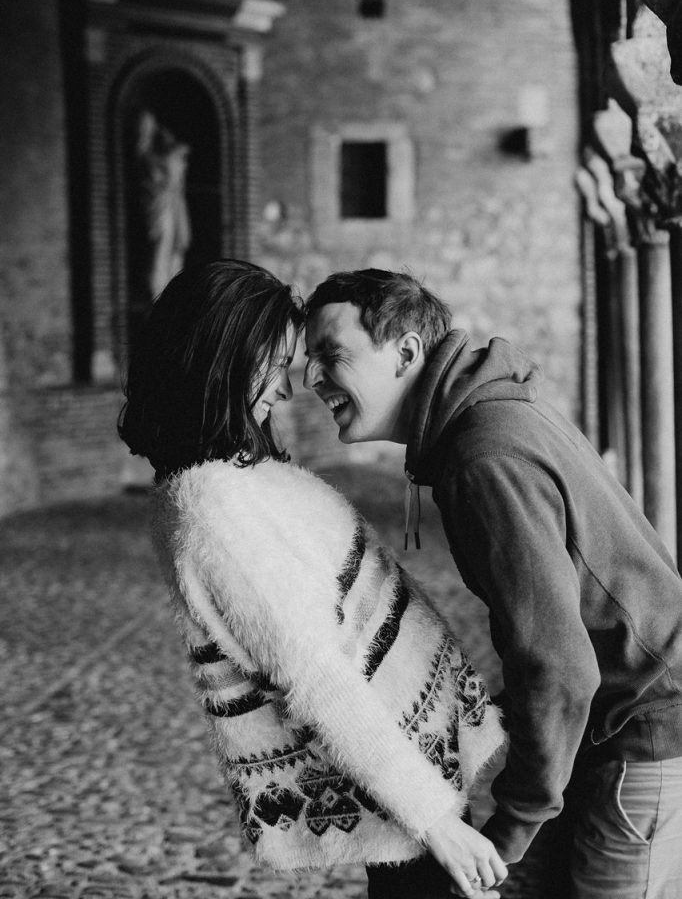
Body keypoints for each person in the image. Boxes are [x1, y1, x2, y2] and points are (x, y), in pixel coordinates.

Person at [117, 259, 508, 899]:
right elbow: (313, 675)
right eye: (273, 359)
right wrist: (436, 821)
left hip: (415, 769)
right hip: (403, 794)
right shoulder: (211, 506)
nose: (291, 382)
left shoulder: (235, 475)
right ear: (221, 358)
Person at [303, 267, 682, 899]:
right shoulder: (484, 419)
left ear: (404, 353)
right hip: (608, 726)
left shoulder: (484, 457)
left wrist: (512, 828)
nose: (312, 380)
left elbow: (559, 667)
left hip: (639, 729)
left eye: (331, 357)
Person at [135, 109, 192, 299]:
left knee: (176, 251)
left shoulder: (167, 155)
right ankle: (158, 295)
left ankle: (171, 293)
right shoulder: (150, 158)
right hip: (161, 209)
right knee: (160, 251)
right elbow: (167, 169)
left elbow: (180, 156)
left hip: (173, 208)